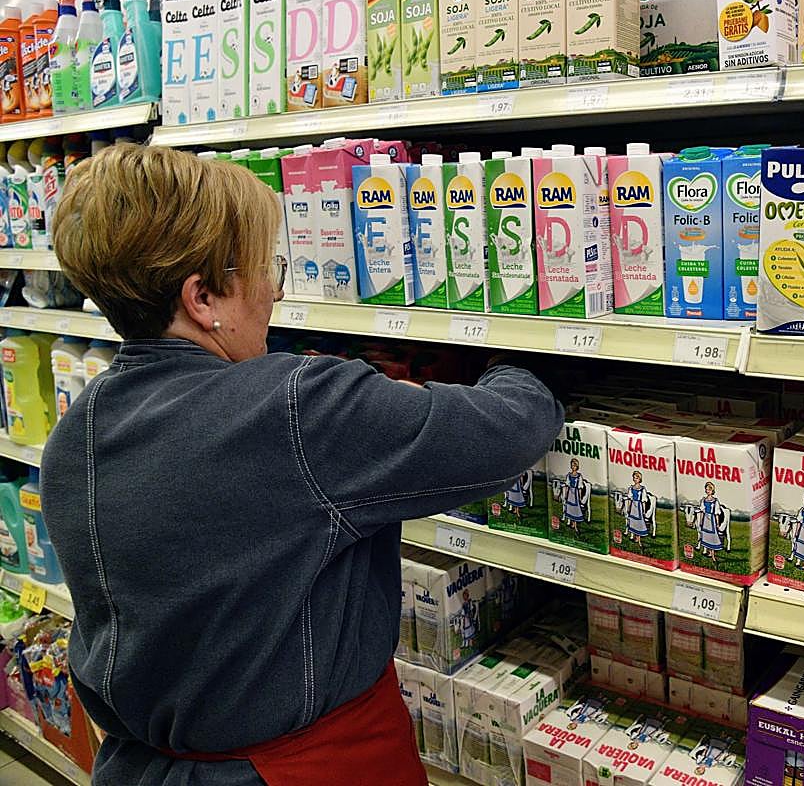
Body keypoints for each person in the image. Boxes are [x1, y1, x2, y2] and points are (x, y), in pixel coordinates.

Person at [40, 144, 564, 786]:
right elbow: (504, 435)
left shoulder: (76, 429)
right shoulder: (294, 409)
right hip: (301, 771)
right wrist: (520, 365)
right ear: (203, 297)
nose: (274, 291)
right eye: (265, 268)